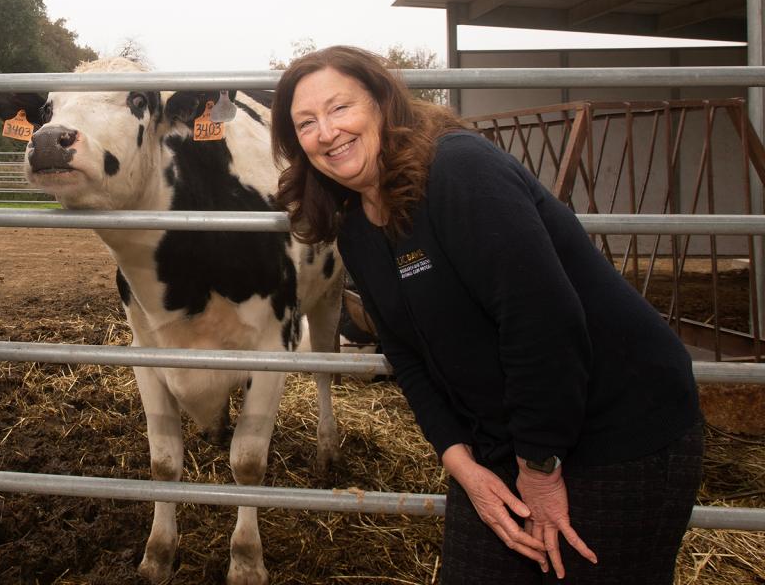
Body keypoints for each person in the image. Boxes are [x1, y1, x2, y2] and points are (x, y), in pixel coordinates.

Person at [270, 46, 703, 584]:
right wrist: (459, 461)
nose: (326, 132)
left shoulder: (459, 170)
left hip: (616, 429)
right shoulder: (356, 224)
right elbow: (405, 354)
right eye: (305, 123)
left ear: (383, 102)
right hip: (504, 442)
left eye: (339, 109)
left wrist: (540, 469)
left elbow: (542, 321)